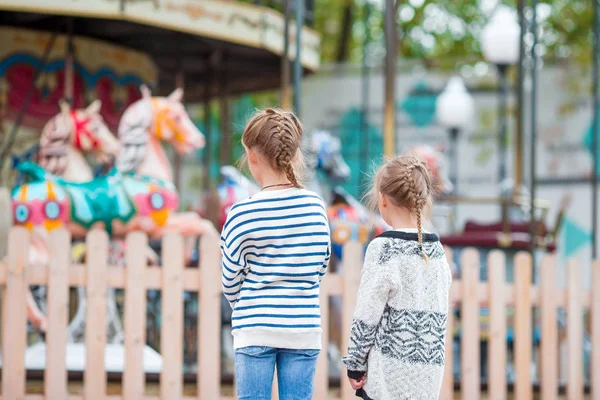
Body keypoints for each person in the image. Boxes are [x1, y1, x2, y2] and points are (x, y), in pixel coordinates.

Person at [221, 108, 331, 400]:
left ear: (252, 157)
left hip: (255, 326)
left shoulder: (241, 212)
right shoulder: (315, 206)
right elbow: (320, 265)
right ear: (294, 154)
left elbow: (230, 279)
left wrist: (248, 304)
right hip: (303, 327)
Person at [342, 155, 452, 400]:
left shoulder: (384, 248)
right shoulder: (436, 250)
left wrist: (355, 363)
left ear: (382, 200)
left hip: (387, 377)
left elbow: (367, 313)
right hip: (428, 376)